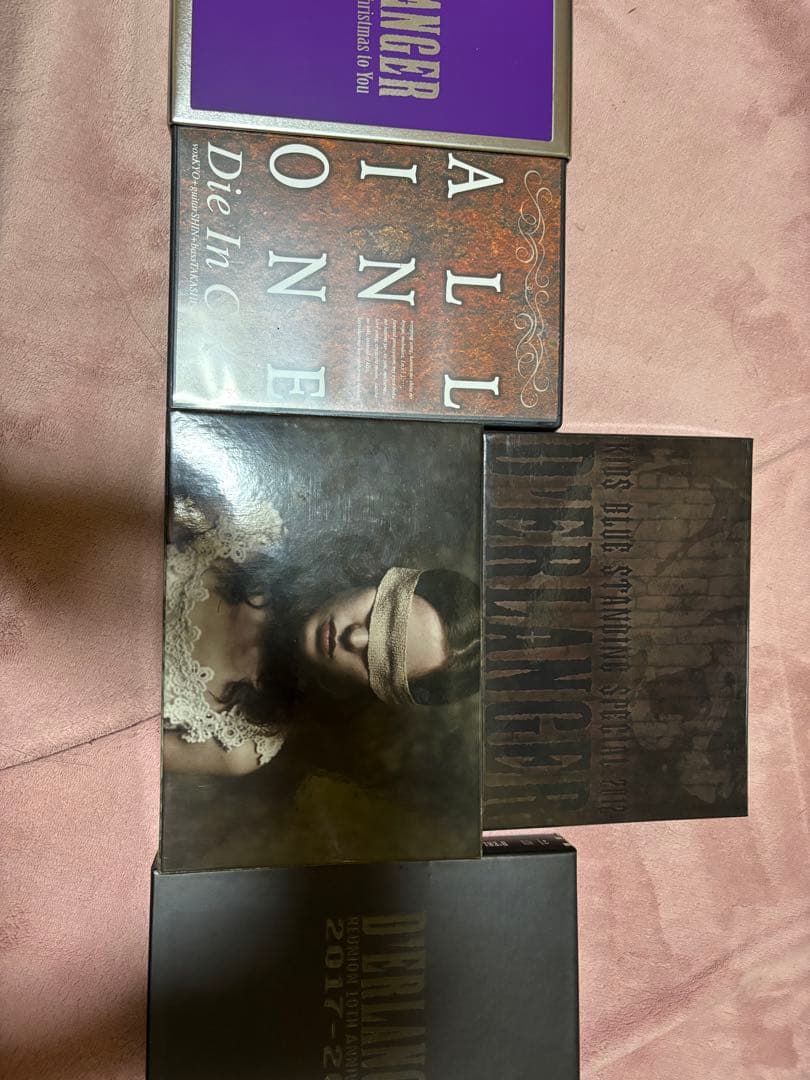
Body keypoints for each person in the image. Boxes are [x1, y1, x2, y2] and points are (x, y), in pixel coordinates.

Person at [162, 495, 480, 776]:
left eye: (378, 661)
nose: (355, 639)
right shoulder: (249, 530)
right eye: (377, 614)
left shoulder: (239, 745)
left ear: (368, 690)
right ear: (376, 577)